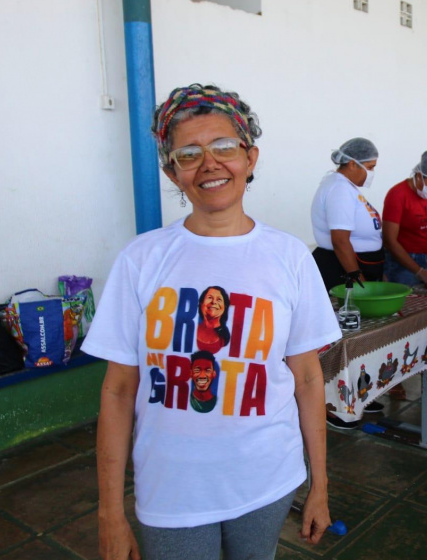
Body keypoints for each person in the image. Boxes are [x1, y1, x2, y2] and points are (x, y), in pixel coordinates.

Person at [83, 83, 339, 560]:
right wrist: (109, 513)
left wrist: (320, 487)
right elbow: (118, 391)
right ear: (172, 172)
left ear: (250, 157)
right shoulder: (142, 260)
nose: (210, 164)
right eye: (188, 154)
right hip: (172, 489)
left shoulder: (289, 258)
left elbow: (307, 377)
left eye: (224, 147)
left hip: (268, 479)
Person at [382, 150, 427, 402]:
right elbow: (390, 240)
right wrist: (418, 270)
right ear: (419, 176)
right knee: (403, 327)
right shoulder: (398, 195)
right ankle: (392, 380)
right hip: (403, 264)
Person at [310, 137, 384, 291]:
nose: (372, 173)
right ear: (352, 164)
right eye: (370, 167)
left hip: (361, 266)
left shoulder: (347, 187)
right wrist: (358, 281)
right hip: (341, 269)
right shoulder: (340, 189)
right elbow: (340, 241)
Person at [196, 285, 230, 354]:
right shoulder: (192, 330)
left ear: (225, 306)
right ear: (201, 304)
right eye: (210, 297)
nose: (214, 302)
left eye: (219, 299)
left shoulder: (225, 337)